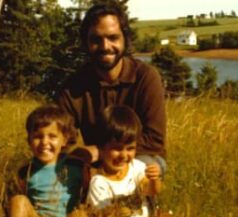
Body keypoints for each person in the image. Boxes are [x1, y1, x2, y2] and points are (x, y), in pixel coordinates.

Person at [56, 2, 167, 177]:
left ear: (125, 39)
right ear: (86, 43)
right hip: (94, 161)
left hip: (139, 156)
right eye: (96, 39)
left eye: (113, 37)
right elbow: (61, 139)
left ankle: (139, 203)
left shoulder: (146, 77)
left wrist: (102, 151)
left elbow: (154, 141)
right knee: (60, 170)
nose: (105, 46)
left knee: (142, 170)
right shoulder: (74, 86)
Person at [9, 104, 90, 217]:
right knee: (18, 200)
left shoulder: (76, 166)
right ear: (29, 140)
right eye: (38, 137)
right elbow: (22, 209)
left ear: (64, 140)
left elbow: (88, 192)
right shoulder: (26, 171)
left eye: (52, 136)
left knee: (80, 216)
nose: (44, 142)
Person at [86, 105, 166, 217]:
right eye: (117, 148)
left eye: (130, 148)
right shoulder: (99, 183)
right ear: (102, 148)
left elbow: (152, 191)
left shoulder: (137, 167)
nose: (124, 155)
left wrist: (155, 179)